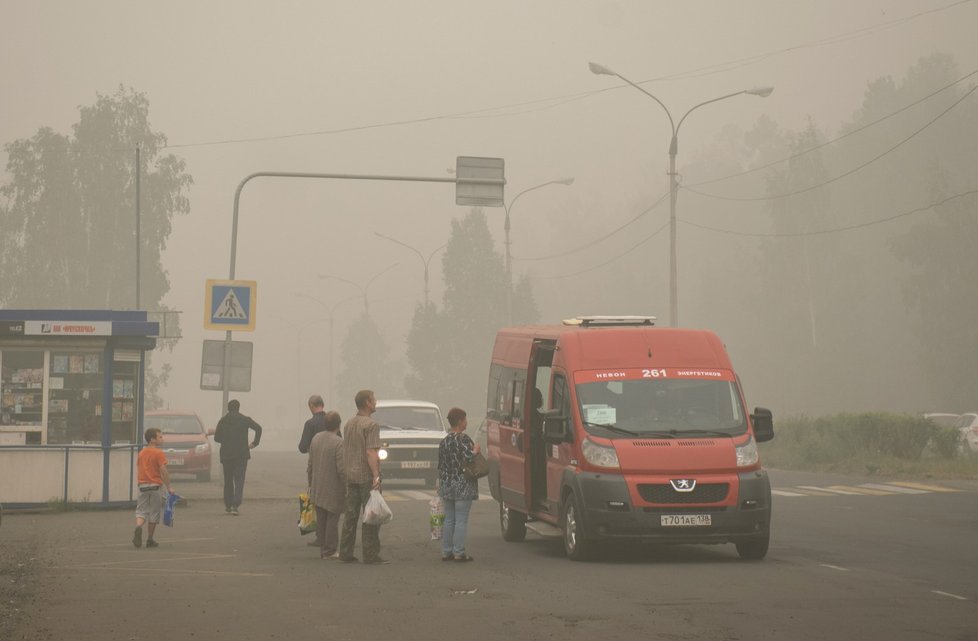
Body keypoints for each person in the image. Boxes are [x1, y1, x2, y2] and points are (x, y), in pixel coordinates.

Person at [338, 389, 387, 565]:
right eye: (373, 399)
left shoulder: (349, 424)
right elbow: (371, 452)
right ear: (367, 402)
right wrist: (376, 476)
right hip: (366, 476)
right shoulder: (371, 425)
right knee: (371, 515)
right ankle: (371, 554)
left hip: (350, 475)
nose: (375, 402)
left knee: (350, 515)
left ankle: (345, 552)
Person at [437, 407, 479, 562]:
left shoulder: (444, 441)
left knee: (449, 519)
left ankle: (446, 551)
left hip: (447, 485)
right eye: (465, 420)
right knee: (461, 519)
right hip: (462, 485)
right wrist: (475, 451)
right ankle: (459, 552)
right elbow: (468, 458)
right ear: (460, 421)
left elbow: (440, 465)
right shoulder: (464, 439)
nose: (466, 422)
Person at [213, 399, 262, 516]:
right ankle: (236, 505)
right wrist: (254, 443)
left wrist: (226, 439)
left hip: (226, 455)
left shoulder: (223, 421)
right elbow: (258, 428)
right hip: (241, 455)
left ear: (228, 408)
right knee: (239, 480)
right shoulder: (245, 419)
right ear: (238, 408)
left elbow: (217, 438)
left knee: (228, 480)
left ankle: (228, 505)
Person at [307, 411, 345, 560]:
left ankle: (323, 548)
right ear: (339, 425)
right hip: (333, 486)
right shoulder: (338, 442)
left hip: (317, 485)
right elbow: (341, 469)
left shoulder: (316, 438)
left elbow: (310, 464)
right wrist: (347, 486)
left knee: (321, 518)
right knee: (332, 518)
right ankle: (330, 550)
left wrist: (310, 483)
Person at [133, 427, 173, 549]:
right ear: (152, 440)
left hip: (142, 485)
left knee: (141, 511)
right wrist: (169, 487)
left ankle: (138, 527)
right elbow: (163, 471)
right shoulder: (158, 453)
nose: (162, 439)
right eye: (160, 437)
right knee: (154, 513)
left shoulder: (141, 453)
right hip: (155, 485)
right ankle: (150, 539)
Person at [299, 394, 330, 547]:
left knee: (318, 501)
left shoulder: (310, 423)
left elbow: (302, 447)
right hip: (332, 465)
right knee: (331, 502)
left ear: (312, 405)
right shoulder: (332, 420)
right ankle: (330, 536)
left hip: (317, 466)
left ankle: (320, 536)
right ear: (322, 404)